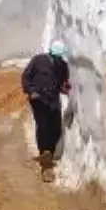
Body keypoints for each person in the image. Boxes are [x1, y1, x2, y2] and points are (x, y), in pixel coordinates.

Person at [21, 40, 71, 181]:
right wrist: (31, 91)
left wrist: (65, 89)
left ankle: (48, 152)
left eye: (59, 57)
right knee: (43, 127)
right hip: (39, 100)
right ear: (50, 53)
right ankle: (46, 162)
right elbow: (25, 77)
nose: (57, 59)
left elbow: (63, 83)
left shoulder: (63, 66)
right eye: (55, 56)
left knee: (55, 129)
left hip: (53, 101)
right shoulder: (38, 60)